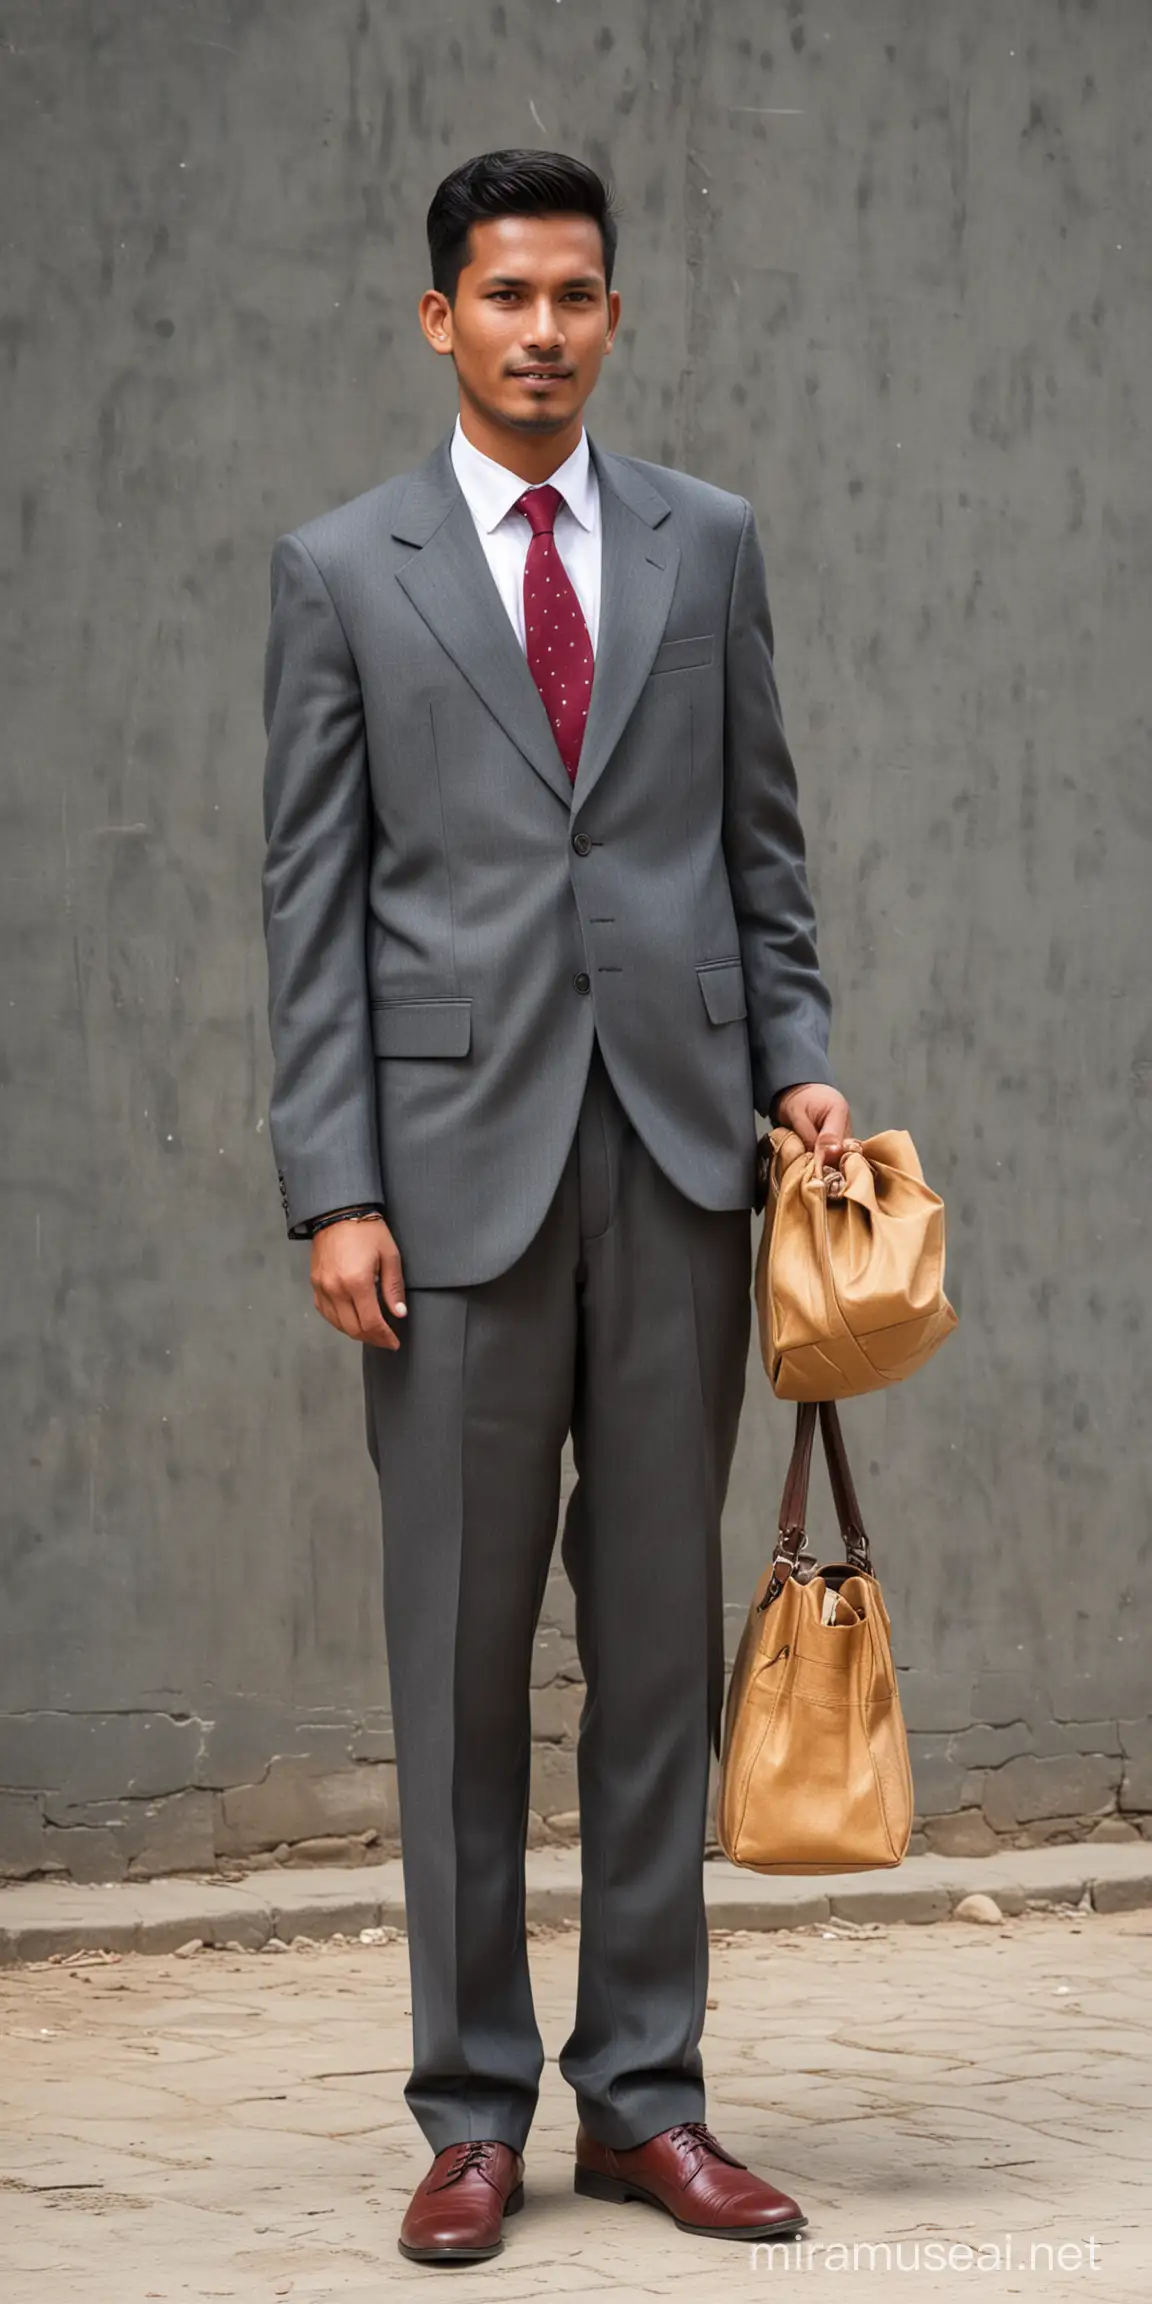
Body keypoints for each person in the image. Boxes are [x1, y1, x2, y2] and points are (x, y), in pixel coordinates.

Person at [261, 147, 850, 2268]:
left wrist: (799, 1057)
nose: (540, 329)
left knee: (659, 1655)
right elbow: (308, 904)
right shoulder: (345, 569)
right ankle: (470, 2109)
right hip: (448, 1184)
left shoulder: (708, 547)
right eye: (503, 296)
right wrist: (335, 1181)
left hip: (685, 1162)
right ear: (443, 320)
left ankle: (650, 2098)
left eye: (576, 296)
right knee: (458, 1655)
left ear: (613, 317)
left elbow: (760, 845)